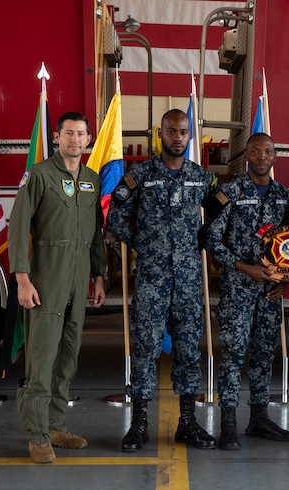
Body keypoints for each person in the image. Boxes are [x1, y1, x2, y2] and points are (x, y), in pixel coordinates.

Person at [107, 109, 218, 452]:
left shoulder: (202, 178)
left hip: (187, 280)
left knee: (188, 351)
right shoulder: (139, 175)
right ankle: (139, 423)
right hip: (152, 280)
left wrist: (202, 240)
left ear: (189, 136)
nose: (177, 137)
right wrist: (143, 243)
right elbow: (116, 217)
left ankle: (187, 423)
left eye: (183, 132)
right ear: (160, 134)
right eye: (171, 131)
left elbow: (220, 215)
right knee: (145, 350)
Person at [8, 111, 107, 464]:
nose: (75, 140)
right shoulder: (38, 176)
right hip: (46, 276)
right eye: (69, 133)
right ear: (56, 137)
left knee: (67, 357)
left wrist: (99, 275)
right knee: (42, 358)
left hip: (79, 279)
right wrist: (22, 278)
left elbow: (96, 234)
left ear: (88, 139)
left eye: (81, 134)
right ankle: (37, 436)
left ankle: (56, 425)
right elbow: (18, 229)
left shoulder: (92, 181)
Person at [203, 133, 289, 450]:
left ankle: (259, 417)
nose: (261, 156)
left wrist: (285, 279)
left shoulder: (283, 196)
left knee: (263, 356)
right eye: (256, 151)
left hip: (270, 291)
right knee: (233, 355)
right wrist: (244, 267)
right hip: (238, 290)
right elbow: (211, 241)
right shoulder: (228, 193)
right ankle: (228, 423)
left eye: (268, 151)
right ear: (247, 156)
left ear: (274, 155)